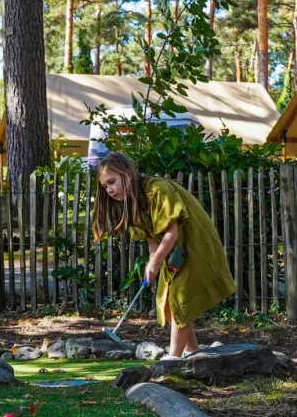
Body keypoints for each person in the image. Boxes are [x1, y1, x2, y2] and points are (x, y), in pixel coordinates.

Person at [92, 151, 234, 359]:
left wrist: (157, 259)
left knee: (180, 298)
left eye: (112, 182)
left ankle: (173, 359)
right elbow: (152, 237)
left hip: (194, 245)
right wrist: (153, 262)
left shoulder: (158, 191)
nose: (110, 190)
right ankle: (191, 351)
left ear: (128, 174)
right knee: (167, 301)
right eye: (105, 186)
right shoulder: (134, 201)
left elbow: (171, 231)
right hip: (175, 250)